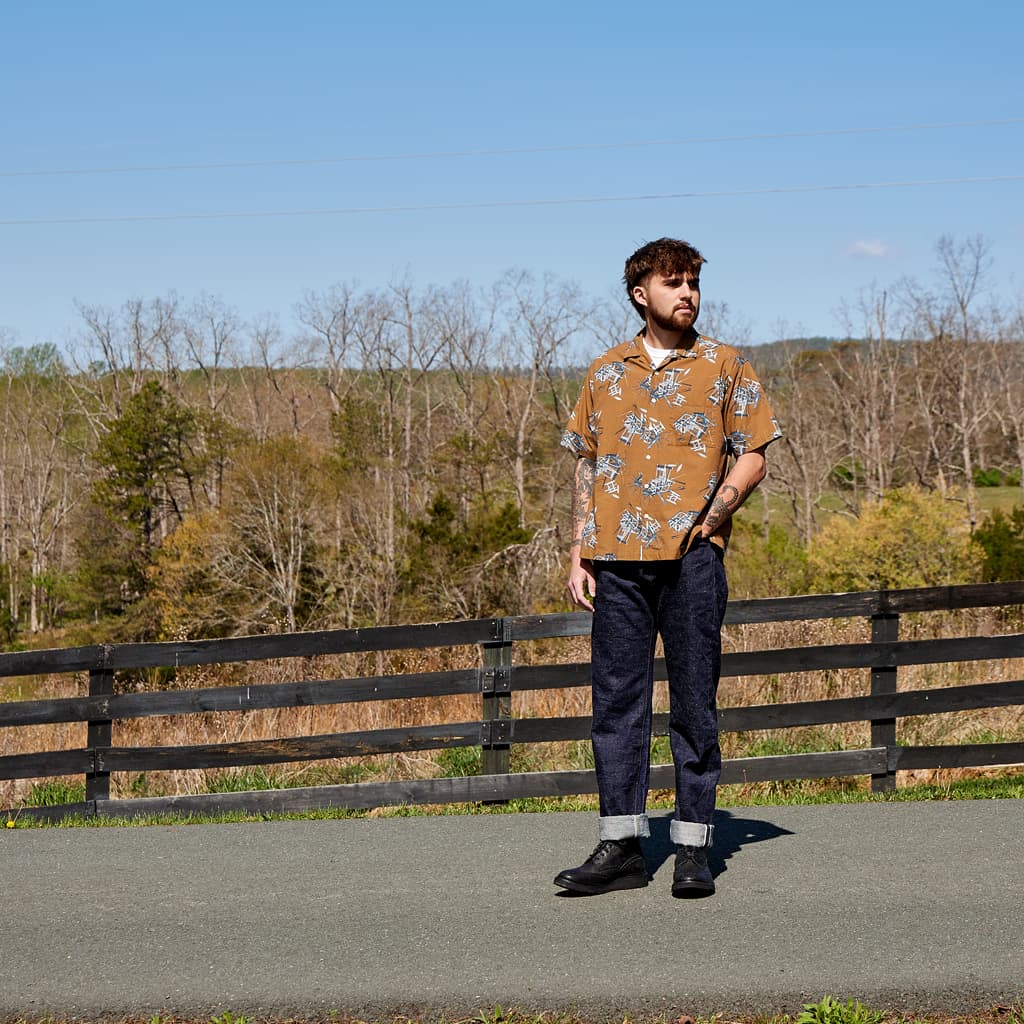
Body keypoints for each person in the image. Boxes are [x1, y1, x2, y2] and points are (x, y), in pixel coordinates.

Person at [554, 238, 781, 898]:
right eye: (673, 283)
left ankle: (692, 849)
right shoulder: (605, 371)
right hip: (616, 566)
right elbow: (588, 461)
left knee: (693, 705)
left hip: (691, 565)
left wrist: (715, 514)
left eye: (693, 284)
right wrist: (579, 549)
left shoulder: (725, 365)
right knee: (616, 706)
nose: (687, 294)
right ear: (640, 293)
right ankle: (621, 847)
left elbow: (755, 452)